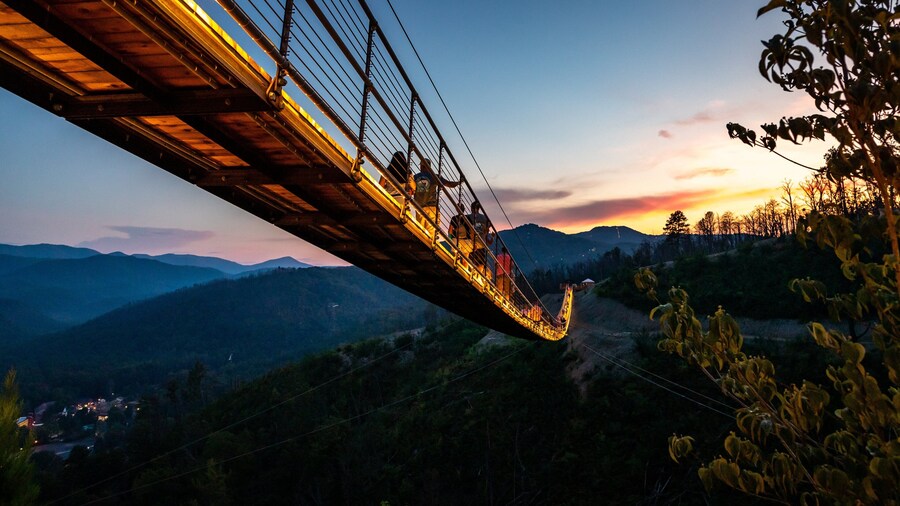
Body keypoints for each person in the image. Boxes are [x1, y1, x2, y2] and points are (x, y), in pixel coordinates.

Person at [413, 159, 460, 236]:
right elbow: (449, 184)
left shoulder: (415, 177)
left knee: (420, 231)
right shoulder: (435, 176)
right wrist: (458, 183)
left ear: (421, 166)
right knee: (431, 233)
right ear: (429, 166)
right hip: (432, 207)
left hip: (419, 207)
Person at [467, 201, 493, 275]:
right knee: (481, 262)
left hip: (471, 243)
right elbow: (489, 225)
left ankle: (472, 273)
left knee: (471, 259)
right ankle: (478, 276)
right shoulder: (484, 218)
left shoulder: (468, 217)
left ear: (471, 208)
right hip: (481, 243)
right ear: (479, 209)